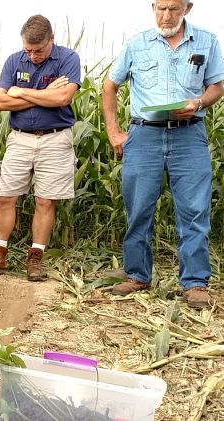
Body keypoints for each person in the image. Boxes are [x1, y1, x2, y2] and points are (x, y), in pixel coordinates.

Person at [101, 0, 224, 309]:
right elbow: (109, 86)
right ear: (152, 7)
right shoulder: (137, 43)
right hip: (144, 136)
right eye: (160, 8)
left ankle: (194, 283)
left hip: (189, 135)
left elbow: (217, 86)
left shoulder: (207, 41)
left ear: (188, 8)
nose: (166, 15)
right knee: (139, 208)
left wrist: (197, 103)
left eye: (173, 8)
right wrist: (114, 132)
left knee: (194, 211)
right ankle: (137, 275)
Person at [0, 15, 81, 281]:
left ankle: (35, 259)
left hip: (55, 138)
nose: (33, 56)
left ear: (51, 40)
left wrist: (19, 91)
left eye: (39, 50)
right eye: (28, 50)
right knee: (6, 196)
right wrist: (44, 96)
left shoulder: (68, 59)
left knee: (44, 200)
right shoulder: (13, 60)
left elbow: (63, 97)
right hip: (19, 138)